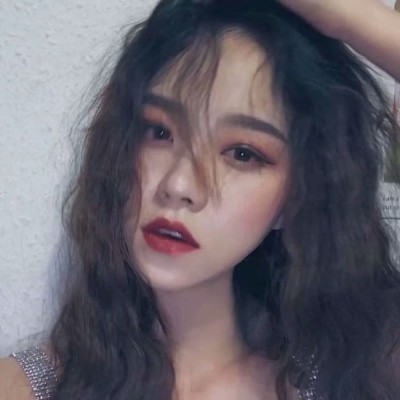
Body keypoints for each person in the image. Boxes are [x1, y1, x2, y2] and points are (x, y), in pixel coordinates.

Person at [0, 0, 400, 399]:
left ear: (298, 197)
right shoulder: (26, 387)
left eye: (242, 153)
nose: (178, 185)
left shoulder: (347, 375)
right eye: (158, 132)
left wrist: (349, 16)